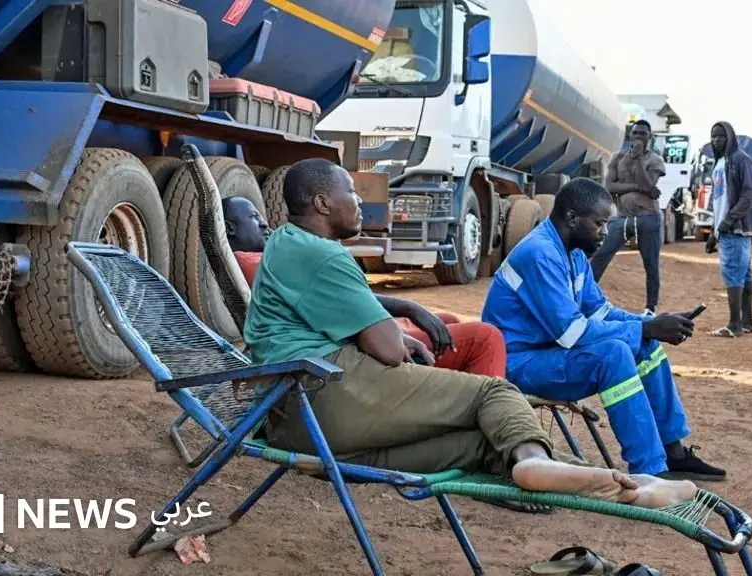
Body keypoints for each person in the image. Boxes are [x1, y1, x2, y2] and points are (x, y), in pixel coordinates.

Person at [242, 158, 700, 509]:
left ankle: (624, 486)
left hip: (295, 424)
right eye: (350, 191)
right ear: (322, 203)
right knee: (492, 396)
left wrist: (401, 311)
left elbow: (342, 308)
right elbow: (384, 349)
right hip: (327, 393)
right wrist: (397, 334)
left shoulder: (286, 243)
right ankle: (559, 465)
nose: (359, 199)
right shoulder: (327, 256)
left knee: (481, 444)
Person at [480, 177, 727, 482]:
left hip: (547, 354)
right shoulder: (540, 254)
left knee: (645, 346)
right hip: (518, 364)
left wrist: (651, 325)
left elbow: (602, 313)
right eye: (600, 223)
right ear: (572, 218)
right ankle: (650, 469)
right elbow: (571, 333)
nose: (607, 232)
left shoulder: (571, 253)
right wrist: (648, 327)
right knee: (615, 353)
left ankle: (673, 453)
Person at [223, 195, 504, 377]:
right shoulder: (261, 261)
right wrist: (408, 307)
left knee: (449, 322)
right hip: (347, 345)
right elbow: (347, 306)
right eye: (253, 218)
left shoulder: (273, 253)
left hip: (347, 331)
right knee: (484, 338)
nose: (264, 224)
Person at [589, 120, 667, 316]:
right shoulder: (618, 157)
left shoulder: (655, 160)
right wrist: (639, 188)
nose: (639, 137)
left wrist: (639, 160)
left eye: (643, 134)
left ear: (650, 137)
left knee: (651, 264)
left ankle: (650, 308)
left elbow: (648, 184)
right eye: (636, 133)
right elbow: (610, 187)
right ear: (631, 136)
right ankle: (585, 297)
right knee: (600, 257)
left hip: (648, 217)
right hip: (621, 217)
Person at [704, 121, 752, 338]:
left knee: (733, 274)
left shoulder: (740, 159)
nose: (717, 140)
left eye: (721, 136)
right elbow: (719, 202)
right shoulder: (719, 163)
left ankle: (734, 324)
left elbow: (749, 194)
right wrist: (713, 232)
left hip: (735, 229)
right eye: (713, 136)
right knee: (743, 274)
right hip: (725, 228)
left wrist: (728, 221)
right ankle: (747, 323)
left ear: (730, 138)